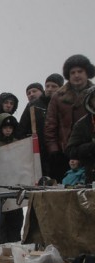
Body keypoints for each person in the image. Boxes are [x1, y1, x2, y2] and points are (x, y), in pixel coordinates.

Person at [45, 54, 95, 183]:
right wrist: (54, 150)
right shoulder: (58, 97)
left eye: (80, 71)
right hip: (64, 153)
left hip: (90, 152)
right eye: (73, 72)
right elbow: (50, 125)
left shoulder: (93, 94)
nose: (76, 75)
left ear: (87, 73)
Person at [17, 74, 65, 178]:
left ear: (61, 87)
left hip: (61, 151)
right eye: (47, 86)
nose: (49, 89)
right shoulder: (33, 105)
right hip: (40, 152)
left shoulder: (65, 104)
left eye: (53, 86)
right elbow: (21, 130)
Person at [0, 113, 24, 243]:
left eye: (10, 127)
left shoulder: (18, 144)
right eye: (5, 127)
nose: (8, 130)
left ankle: (16, 241)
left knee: (16, 217)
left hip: (15, 184)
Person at [65, 86, 95, 186]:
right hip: (91, 174)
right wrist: (92, 146)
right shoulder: (82, 124)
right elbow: (71, 151)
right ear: (90, 102)